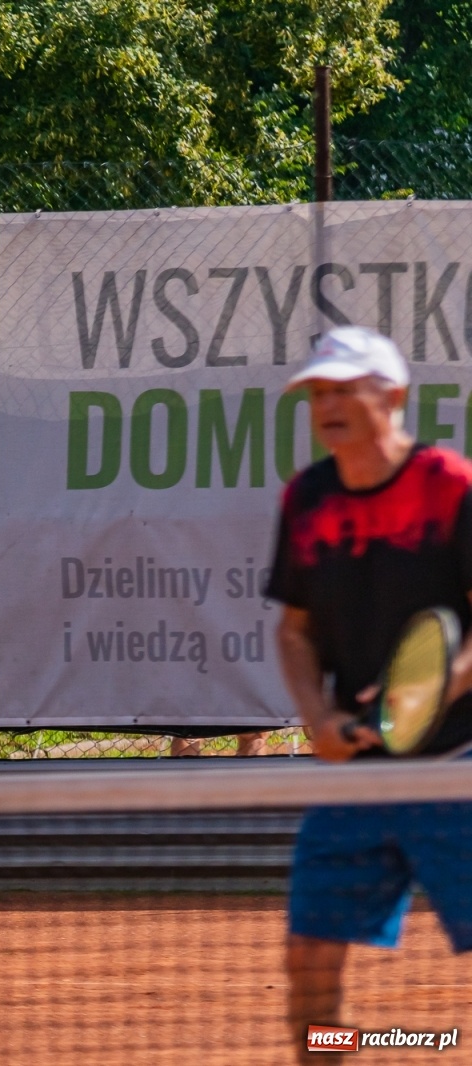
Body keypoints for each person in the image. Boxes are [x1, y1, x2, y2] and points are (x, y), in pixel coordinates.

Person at [266, 326, 472, 1056]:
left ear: (393, 396)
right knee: (309, 966)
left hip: (459, 774)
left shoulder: (450, 487)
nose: (328, 404)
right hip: (356, 781)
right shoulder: (308, 498)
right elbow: (294, 632)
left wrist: (426, 693)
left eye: (346, 389)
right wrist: (318, 718)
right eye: (319, 393)